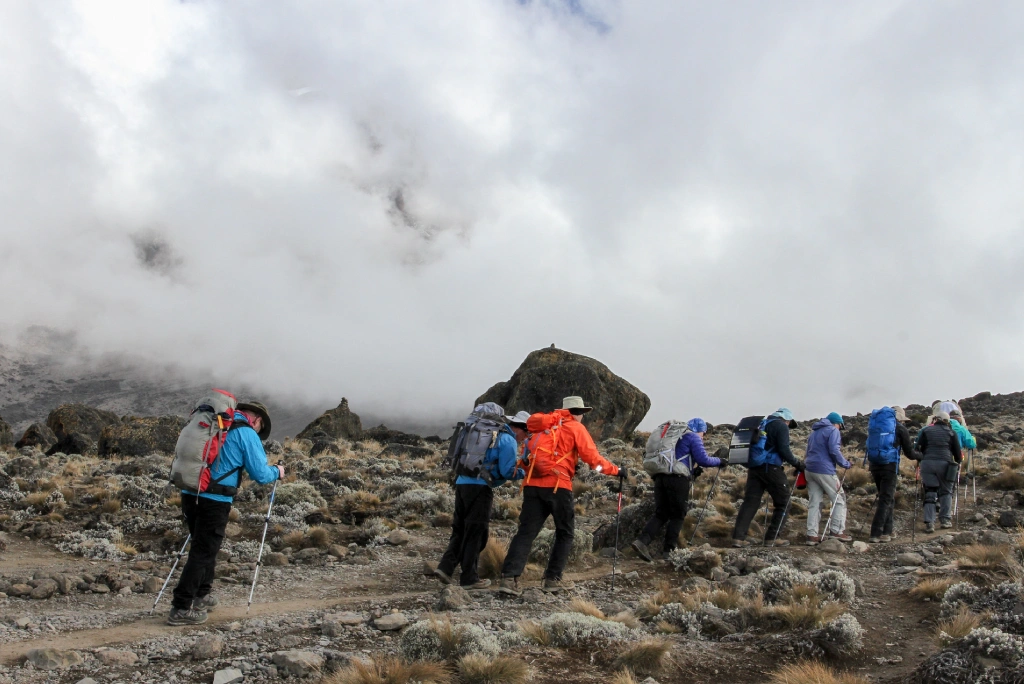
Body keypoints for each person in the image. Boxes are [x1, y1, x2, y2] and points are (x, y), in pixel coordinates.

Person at [169, 400, 282, 626]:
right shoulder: (247, 433)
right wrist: (277, 471)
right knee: (204, 551)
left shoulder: (215, 424)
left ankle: (202, 595)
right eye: (260, 428)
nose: (258, 431)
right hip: (216, 499)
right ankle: (181, 607)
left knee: (204, 547)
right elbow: (260, 474)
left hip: (191, 492)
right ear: (257, 420)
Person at [498, 396, 623, 595]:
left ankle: (508, 579)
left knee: (526, 532)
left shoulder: (543, 425)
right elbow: (593, 460)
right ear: (577, 413)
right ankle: (553, 579)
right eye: (582, 413)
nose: (583, 417)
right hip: (558, 486)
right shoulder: (575, 428)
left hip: (532, 485)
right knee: (565, 532)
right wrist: (615, 470)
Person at [435, 403, 523, 590]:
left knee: (460, 529)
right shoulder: (507, 439)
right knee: (477, 532)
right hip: (481, 488)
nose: (527, 437)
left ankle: (446, 567)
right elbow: (508, 471)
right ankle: (469, 578)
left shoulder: (474, 431)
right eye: (527, 432)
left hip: (461, 483)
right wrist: (525, 472)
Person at [632, 418, 724, 562]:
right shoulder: (693, 437)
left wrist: (692, 472)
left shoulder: (676, 437)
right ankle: (669, 551)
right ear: (699, 430)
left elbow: (678, 459)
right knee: (678, 515)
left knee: (661, 513)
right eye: (703, 433)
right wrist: (720, 461)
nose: (703, 436)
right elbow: (703, 459)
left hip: (660, 477)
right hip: (677, 479)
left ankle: (642, 541)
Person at [731, 408, 806, 548]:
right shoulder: (781, 426)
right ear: (787, 419)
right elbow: (784, 449)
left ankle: (738, 538)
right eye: (789, 423)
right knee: (784, 502)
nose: (789, 426)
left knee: (750, 502)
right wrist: (797, 463)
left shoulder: (761, 424)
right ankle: (772, 538)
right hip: (771, 468)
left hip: (754, 468)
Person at [868, 406, 920, 543]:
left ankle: (887, 531)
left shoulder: (878, 426)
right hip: (889, 466)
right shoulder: (900, 428)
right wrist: (921, 456)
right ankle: (876, 532)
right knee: (886, 498)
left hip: (874, 465)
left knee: (886, 497)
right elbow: (910, 453)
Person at [804, 412, 852, 545]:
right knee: (839, 499)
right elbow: (834, 450)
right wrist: (845, 464)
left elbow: (807, 451)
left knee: (815, 502)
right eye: (840, 426)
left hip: (809, 469)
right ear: (837, 423)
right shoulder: (832, 431)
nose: (839, 429)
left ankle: (812, 535)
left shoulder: (814, 432)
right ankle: (836, 531)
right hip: (824, 470)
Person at [915, 410, 963, 532]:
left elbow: (918, 448)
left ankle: (930, 523)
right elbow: (957, 453)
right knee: (946, 491)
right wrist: (958, 462)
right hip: (945, 464)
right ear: (947, 421)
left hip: (927, 464)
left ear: (935, 419)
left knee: (930, 492)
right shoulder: (951, 433)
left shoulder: (925, 430)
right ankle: (945, 520)